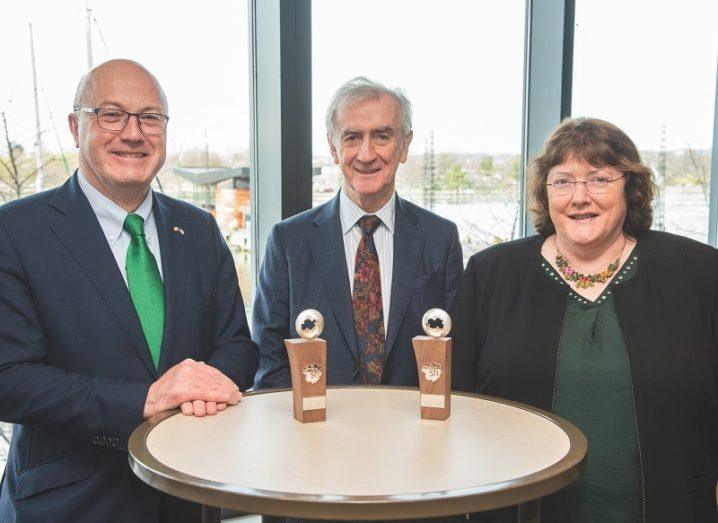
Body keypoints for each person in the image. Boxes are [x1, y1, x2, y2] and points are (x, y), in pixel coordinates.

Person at [0, 59, 258, 523]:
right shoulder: (15, 231)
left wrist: (209, 385)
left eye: (149, 117)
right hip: (70, 502)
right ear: (75, 126)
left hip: (189, 494)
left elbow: (236, 345)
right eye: (111, 114)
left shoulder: (198, 228)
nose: (133, 133)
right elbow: (10, 379)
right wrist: (144, 400)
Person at [451, 117, 718, 522]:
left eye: (599, 179)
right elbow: (455, 408)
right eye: (562, 181)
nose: (580, 197)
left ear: (630, 187)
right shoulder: (491, 274)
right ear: (546, 192)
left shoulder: (699, 271)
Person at [253, 76, 463, 390]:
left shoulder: (440, 239)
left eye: (381, 136)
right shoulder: (288, 241)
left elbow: (454, 355)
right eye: (352, 137)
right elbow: (269, 363)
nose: (366, 154)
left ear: (404, 146)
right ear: (333, 148)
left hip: (413, 432)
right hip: (315, 431)